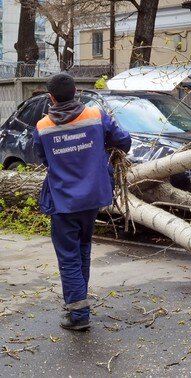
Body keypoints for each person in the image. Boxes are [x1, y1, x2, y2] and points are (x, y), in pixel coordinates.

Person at [33, 73, 131, 331]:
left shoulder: (43, 126)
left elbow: (43, 159)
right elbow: (123, 141)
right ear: (76, 91)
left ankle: (78, 315)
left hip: (64, 201)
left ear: (51, 97)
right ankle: (80, 305)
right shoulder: (95, 116)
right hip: (92, 199)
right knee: (82, 250)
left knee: (68, 257)